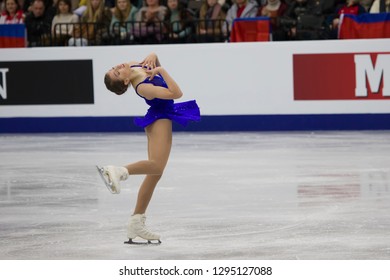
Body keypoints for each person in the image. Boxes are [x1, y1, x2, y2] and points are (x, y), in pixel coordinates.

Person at [100, 52, 200, 244]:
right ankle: (119, 171)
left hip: (160, 116)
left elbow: (153, 62)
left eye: (114, 68)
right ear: (126, 81)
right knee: (156, 167)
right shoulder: (143, 87)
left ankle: (136, 221)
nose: (118, 67)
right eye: (117, 73)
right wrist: (161, 69)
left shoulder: (132, 65)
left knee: (155, 174)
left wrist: (154, 57)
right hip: (160, 118)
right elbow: (176, 93)